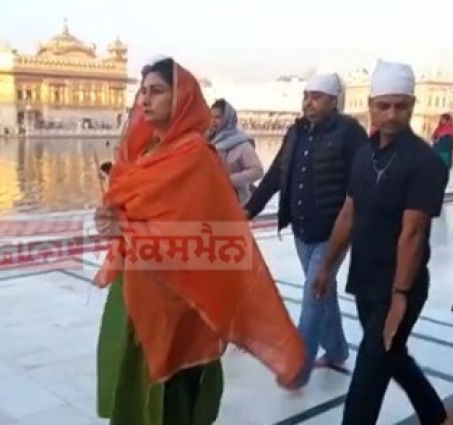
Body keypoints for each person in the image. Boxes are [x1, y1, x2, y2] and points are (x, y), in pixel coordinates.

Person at [93, 57, 306, 425]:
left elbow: (204, 239)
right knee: (132, 380)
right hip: (135, 287)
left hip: (181, 296)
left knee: (174, 393)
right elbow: (126, 213)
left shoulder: (196, 158)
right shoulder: (139, 154)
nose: (145, 100)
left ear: (182, 98)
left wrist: (130, 230)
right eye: (142, 91)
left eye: (157, 91)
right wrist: (109, 221)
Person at [313, 59, 449, 425]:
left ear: (413, 106)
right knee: (391, 355)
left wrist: (400, 297)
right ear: (370, 105)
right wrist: (326, 266)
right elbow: (348, 213)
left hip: (399, 285)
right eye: (383, 105)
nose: (391, 115)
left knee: (367, 379)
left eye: (400, 106)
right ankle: (434, 413)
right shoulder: (365, 154)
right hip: (365, 279)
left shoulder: (425, 162)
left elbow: (413, 233)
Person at [244, 72, 368, 388]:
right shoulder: (297, 131)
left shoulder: (349, 132)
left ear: (332, 100)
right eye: (306, 95)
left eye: (316, 96)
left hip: (332, 233)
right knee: (322, 293)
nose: (308, 102)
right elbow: (275, 176)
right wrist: (247, 211)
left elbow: (363, 181)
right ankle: (338, 349)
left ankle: (298, 368)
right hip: (301, 231)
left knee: (313, 295)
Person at [207, 98, 264, 204]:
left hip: (235, 202)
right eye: (211, 116)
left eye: (218, 117)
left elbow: (257, 171)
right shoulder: (207, 140)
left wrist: (229, 180)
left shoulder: (241, 143)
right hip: (211, 200)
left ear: (228, 119)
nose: (213, 121)